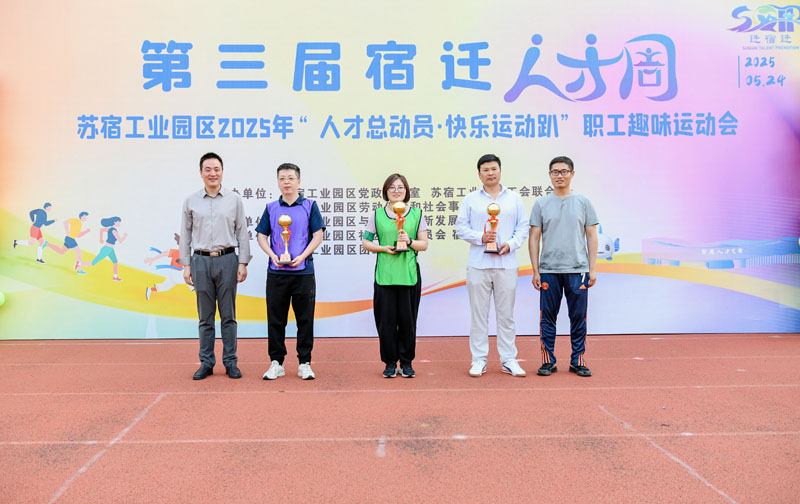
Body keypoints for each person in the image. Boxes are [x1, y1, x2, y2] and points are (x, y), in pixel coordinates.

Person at [456, 154, 529, 378]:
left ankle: (509, 360)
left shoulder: (514, 198)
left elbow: (523, 227)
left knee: (506, 315)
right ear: (479, 174)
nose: (490, 173)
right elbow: (461, 228)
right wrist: (481, 237)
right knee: (479, 315)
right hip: (478, 264)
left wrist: (510, 244)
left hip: (506, 264)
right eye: (485, 170)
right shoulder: (471, 199)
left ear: (500, 171)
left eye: (494, 169)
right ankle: (479, 359)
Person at [180, 152, 250, 380]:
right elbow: (185, 234)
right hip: (200, 261)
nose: (213, 173)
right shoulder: (191, 201)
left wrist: (242, 262)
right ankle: (206, 362)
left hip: (227, 259)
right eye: (208, 169)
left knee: (228, 316)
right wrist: (186, 265)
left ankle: (230, 362)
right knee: (205, 317)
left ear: (222, 171)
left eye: (216, 169)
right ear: (201, 172)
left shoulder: (234, 199)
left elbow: (242, 231)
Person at [528, 156, 598, 377]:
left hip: (578, 269)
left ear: (572, 174)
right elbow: (534, 238)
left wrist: (592, 269)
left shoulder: (584, 201)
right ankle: (548, 361)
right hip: (549, 270)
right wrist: (536, 270)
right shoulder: (541, 204)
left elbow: (591, 235)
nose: (560, 176)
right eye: (555, 172)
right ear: (549, 175)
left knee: (578, 317)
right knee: (547, 317)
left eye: (564, 171)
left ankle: (578, 360)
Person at [256, 163, 324, 381]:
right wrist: (273, 255)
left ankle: (305, 362)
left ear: (299, 181)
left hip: (303, 272)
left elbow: (318, 235)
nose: (287, 182)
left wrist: (302, 256)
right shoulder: (271, 208)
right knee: (276, 320)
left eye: (291, 178)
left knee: (305, 320)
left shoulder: (310, 206)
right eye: (282, 178)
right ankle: (276, 363)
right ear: (278, 182)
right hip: (277, 273)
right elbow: (261, 236)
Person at [362, 173, 429, 378]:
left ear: (406, 190)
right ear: (386, 191)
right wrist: (383, 248)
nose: (396, 191)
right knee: (386, 321)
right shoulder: (377, 215)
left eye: (400, 187)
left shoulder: (417, 214)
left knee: (408, 321)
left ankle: (406, 362)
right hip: (385, 275)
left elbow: (424, 244)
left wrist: (409, 241)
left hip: (409, 275)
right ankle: (390, 362)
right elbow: (366, 242)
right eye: (392, 187)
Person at [145, 233, 190, 300]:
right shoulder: (177, 252)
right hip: (176, 273)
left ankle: (150, 289)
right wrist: (152, 259)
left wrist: (152, 259)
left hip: (174, 273)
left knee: (166, 287)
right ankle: (192, 287)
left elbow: (164, 253)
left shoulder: (184, 254)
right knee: (186, 279)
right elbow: (164, 253)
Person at [84, 217, 127, 281]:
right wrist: (125, 236)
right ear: (115, 222)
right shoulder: (113, 231)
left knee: (115, 262)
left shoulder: (111, 229)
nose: (119, 223)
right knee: (93, 263)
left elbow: (101, 230)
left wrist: (101, 239)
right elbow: (120, 240)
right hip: (107, 249)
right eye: (119, 221)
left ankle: (115, 277)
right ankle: (79, 264)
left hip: (110, 249)